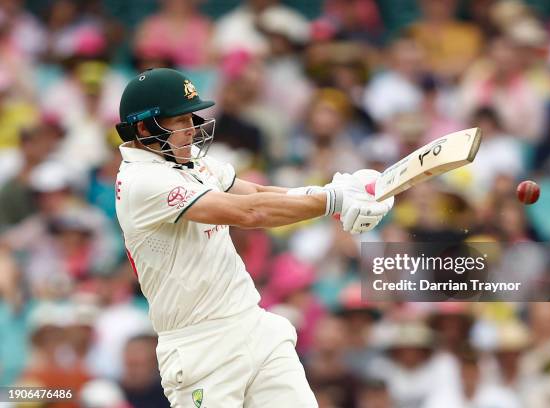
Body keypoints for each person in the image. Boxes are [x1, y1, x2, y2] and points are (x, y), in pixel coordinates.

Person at [113, 67, 393, 407]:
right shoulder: (142, 182)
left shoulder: (192, 164)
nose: (191, 130)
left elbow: (256, 191)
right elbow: (249, 212)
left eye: (191, 118)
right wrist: (331, 201)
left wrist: (328, 194)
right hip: (199, 347)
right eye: (179, 121)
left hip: (253, 324)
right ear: (143, 128)